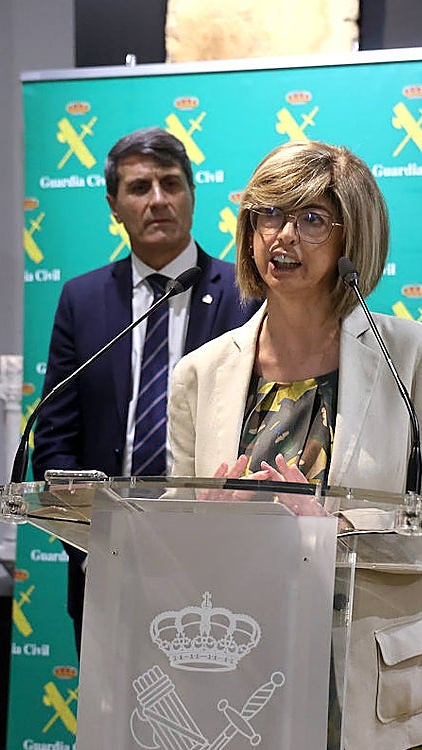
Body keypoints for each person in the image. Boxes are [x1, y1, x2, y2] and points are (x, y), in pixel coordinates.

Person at [167, 139, 422, 750]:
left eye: (312, 218)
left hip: (369, 700)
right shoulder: (202, 373)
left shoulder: (415, 354)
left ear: (353, 238)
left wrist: (327, 530)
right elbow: (170, 535)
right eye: (268, 215)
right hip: (237, 688)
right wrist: (205, 527)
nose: (282, 236)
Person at [32, 126, 256, 648]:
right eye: (139, 188)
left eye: (170, 184)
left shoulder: (247, 297)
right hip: (105, 560)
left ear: (192, 196)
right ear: (114, 204)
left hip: (219, 564)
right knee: (109, 724)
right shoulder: (81, 300)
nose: (158, 200)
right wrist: (90, 539)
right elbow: (56, 441)